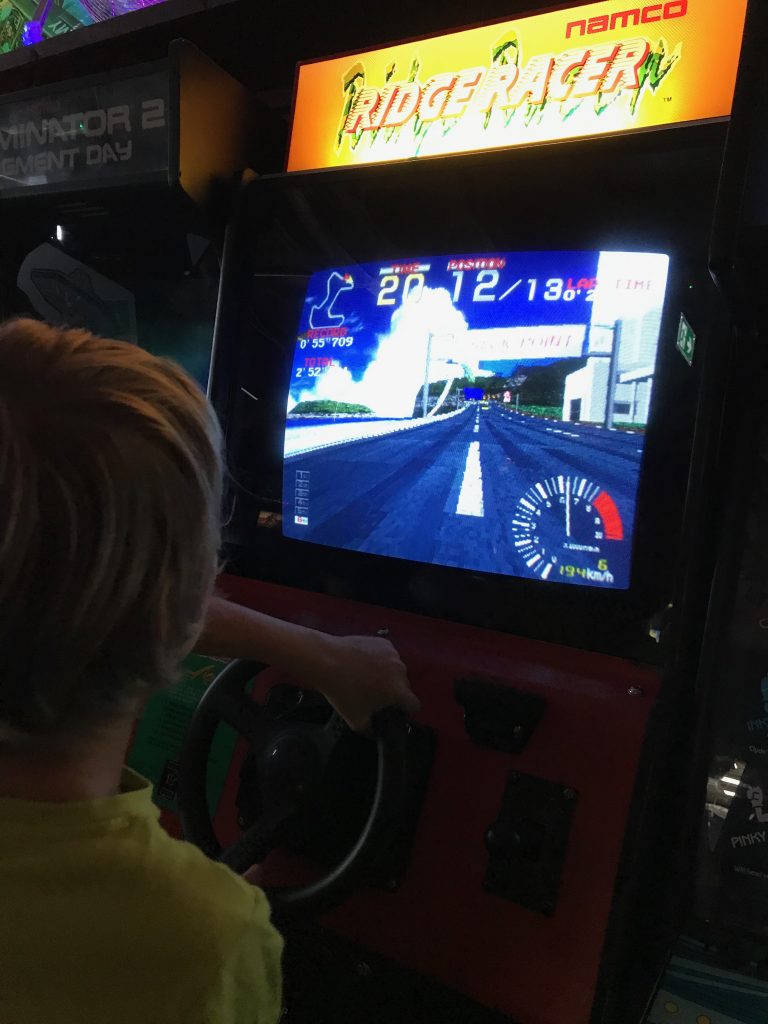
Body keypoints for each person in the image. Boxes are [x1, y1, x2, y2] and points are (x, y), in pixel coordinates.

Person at [0, 318, 419, 1024]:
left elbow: (49, 579)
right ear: (177, 611)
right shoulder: (206, 942)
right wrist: (215, 902)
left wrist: (316, 655)